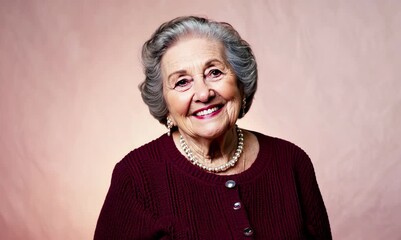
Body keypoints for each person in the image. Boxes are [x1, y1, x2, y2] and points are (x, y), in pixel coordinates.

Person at [94, 16, 332, 239]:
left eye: (214, 72)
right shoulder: (136, 177)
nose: (203, 93)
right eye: (182, 82)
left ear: (239, 82)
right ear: (165, 103)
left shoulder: (291, 162)